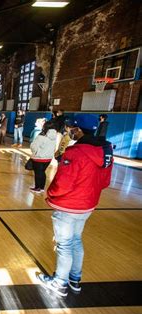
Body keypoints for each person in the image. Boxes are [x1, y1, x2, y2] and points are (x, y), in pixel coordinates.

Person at [37, 114, 113, 297]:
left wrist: (51, 193)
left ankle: (59, 283)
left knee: (64, 245)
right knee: (76, 240)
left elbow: (63, 184)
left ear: (78, 130)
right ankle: (74, 279)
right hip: (87, 205)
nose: (69, 130)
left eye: (71, 128)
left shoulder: (74, 152)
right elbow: (104, 182)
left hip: (69, 206)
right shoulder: (105, 150)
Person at [29, 121, 57, 193]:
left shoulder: (41, 136)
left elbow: (34, 146)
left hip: (39, 158)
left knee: (38, 173)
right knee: (42, 172)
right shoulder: (54, 136)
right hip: (48, 158)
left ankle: (37, 188)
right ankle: (42, 188)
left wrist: (35, 151)